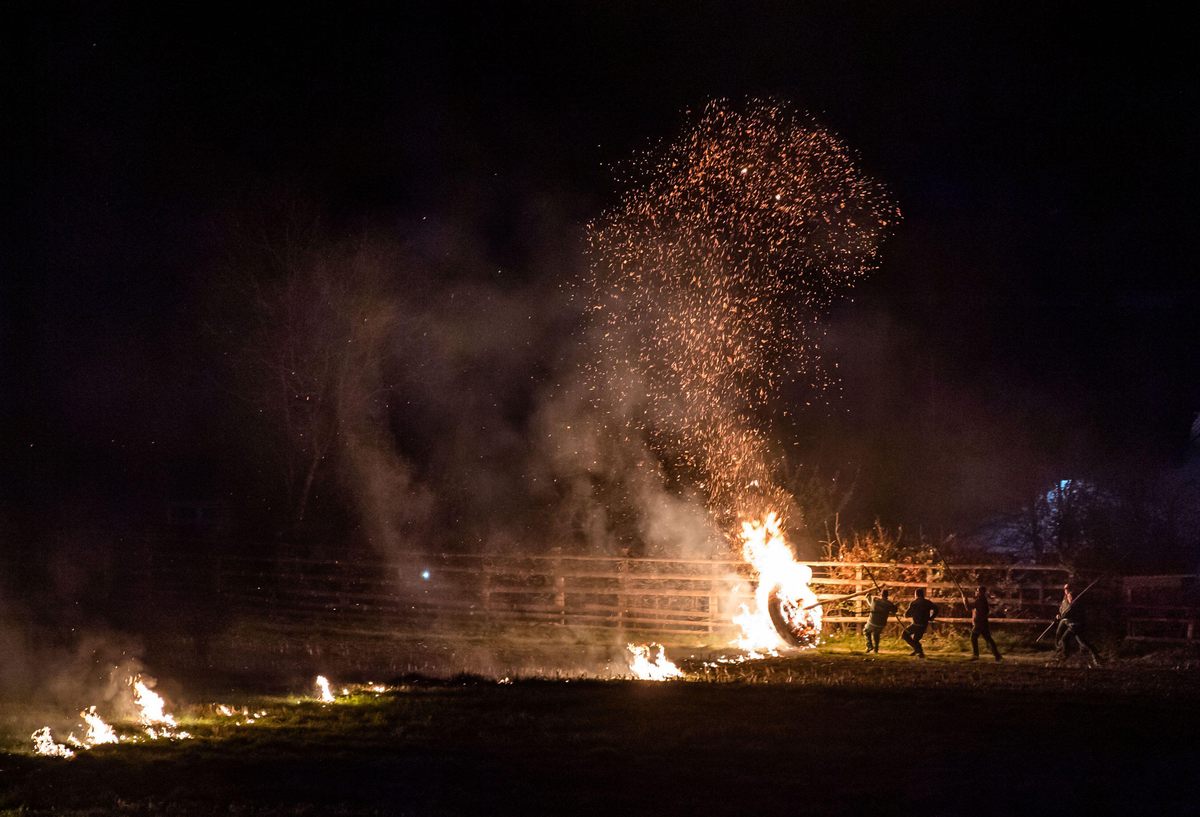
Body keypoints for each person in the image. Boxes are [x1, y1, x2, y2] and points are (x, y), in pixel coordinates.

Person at [1055, 582, 1101, 667]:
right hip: (1069, 622)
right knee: (1081, 641)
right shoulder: (1065, 599)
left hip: (1075, 623)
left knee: (1068, 639)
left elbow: (1072, 612)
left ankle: (1065, 657)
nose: (1066, 590)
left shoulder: (1076, 600)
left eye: (1068, 588)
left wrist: (1063, 616)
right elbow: (1063, 609)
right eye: (1065, 588)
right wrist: (1059, 615)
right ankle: (1096, 656)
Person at [966, 585, 1002, 661]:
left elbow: (968, 608)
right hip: (983, 622)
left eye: (978, 591)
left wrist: (964, 600)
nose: (976, 592)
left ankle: (976, 655)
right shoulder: (982, 600)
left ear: (981, 592)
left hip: (979, 623)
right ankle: (997, 655)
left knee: (973, 638)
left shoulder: (980, 600)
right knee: (988, 639)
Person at [902, 588, 939, 658]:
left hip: (916, 625)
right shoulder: (927, 602)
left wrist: (905, 615)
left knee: (904, 635)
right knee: (915, 640)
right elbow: (936, 609)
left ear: (916, 594)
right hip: (924, 625)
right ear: (923, 595)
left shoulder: (914, 603)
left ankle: (918, 650)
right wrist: (932, 617)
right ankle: (917, 650)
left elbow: (907, 614)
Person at [863, 588, 898, 653]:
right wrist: (895, 605)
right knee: (876, 634)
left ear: (880, 594)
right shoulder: (889, 604)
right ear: (887, 595)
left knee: (866, 631)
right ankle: (876, 649)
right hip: (881, 624)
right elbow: (895, 610)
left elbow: (868, 598)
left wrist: (868, 594)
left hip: (872, 622)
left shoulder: (875, 600)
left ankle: (869, 646)